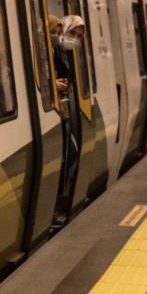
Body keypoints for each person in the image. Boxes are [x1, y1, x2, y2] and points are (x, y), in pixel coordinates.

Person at [53, 14, 86, 226]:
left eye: (78, 35)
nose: (73, 38)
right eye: (71, 33)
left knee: (70, 153)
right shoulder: (51, 52)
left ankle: (58, 204)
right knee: (66, 155)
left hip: (64, 109)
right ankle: (55, 207)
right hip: (57, 111)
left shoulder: (64, 53)